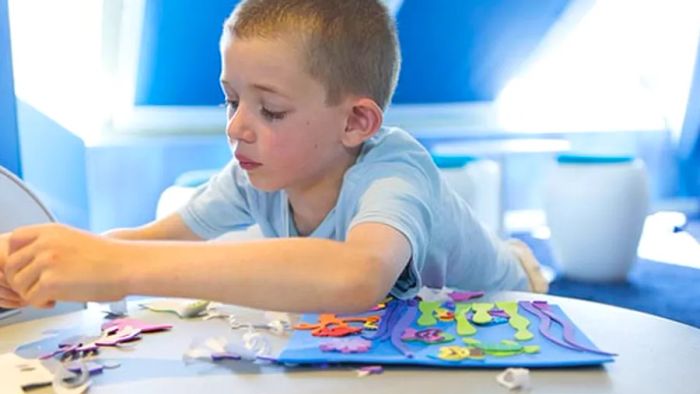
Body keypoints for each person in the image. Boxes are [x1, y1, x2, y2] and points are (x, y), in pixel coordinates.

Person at [0, 0, 547, 314]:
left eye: (271, 111)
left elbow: (358, 277)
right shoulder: (249, 175)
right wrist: (37, 262)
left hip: (508, 303)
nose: (236, 126)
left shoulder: (395, 168)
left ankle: (521, 257)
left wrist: (119, 269)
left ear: (356, 122)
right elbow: (150, 240)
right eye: (232, 100)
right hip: (416, 327)